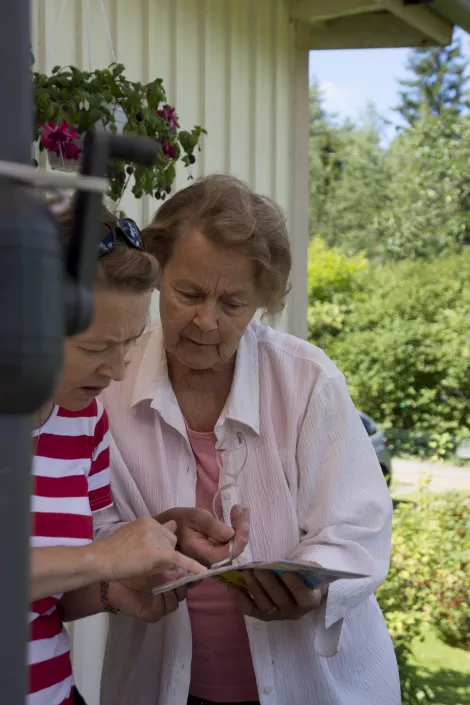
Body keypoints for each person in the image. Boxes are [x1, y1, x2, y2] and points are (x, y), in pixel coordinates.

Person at [95, 174, 401, 705]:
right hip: (164, 685)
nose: (206, 321)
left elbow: (361, 526)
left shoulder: (306, 380)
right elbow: (87, 527)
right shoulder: (108, 381)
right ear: (157, 273)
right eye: (189, 293)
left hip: (315, 686)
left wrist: (316, 589)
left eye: (233, 303)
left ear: (262, 301)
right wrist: (151, 541)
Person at [29, 202, 208, 705]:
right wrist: (101, 556)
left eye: (128, 344)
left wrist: (118, 586)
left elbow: (50, 595)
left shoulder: (83, 420)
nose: (116, 369)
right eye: (94, 347)